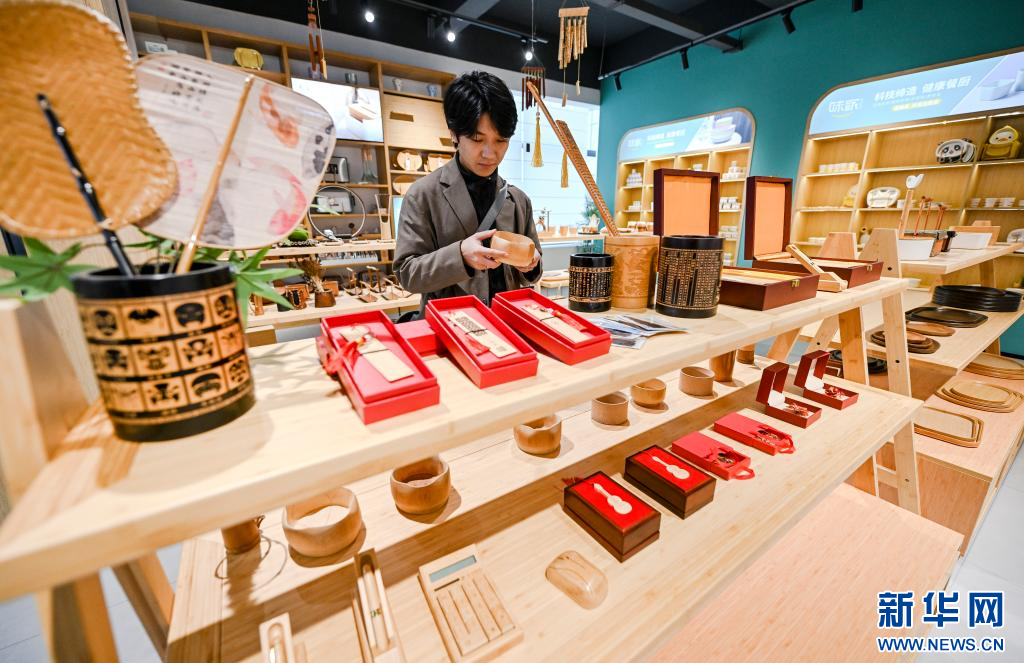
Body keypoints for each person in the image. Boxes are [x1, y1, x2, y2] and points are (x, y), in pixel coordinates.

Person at [394, 71, 542, 313]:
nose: (490, 153)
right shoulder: (423, 195)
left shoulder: (518, 200)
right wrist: (460, 255)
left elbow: (533, 266)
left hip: (507, 325)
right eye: (476, 138)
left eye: (501, 140)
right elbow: (407, 273)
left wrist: (531, 265)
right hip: (450, 326)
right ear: (454, 133)